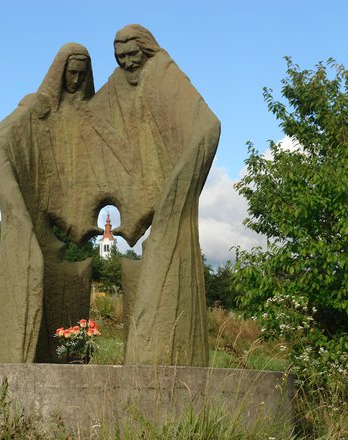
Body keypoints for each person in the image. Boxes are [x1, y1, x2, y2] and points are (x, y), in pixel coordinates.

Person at [87, 25, 221, 366]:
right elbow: (90, 115)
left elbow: (208, 125)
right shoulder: (121, 80)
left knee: (164, 258)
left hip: (170, 187)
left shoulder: (163, 71)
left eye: (132, 54)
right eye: (120, 58)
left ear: (146, 48)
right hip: (146, 177)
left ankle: (166, 356)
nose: (128, 62)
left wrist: (181, 184)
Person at [0, 43, 95, 363]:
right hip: (33, 214)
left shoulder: (84, 117)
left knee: (70, 278)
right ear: (59, 71)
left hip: (59, 216)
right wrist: (16, 211)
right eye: (71, 73)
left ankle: (68, 355)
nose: (75, 81)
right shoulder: (36, 107)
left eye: (81, 76)